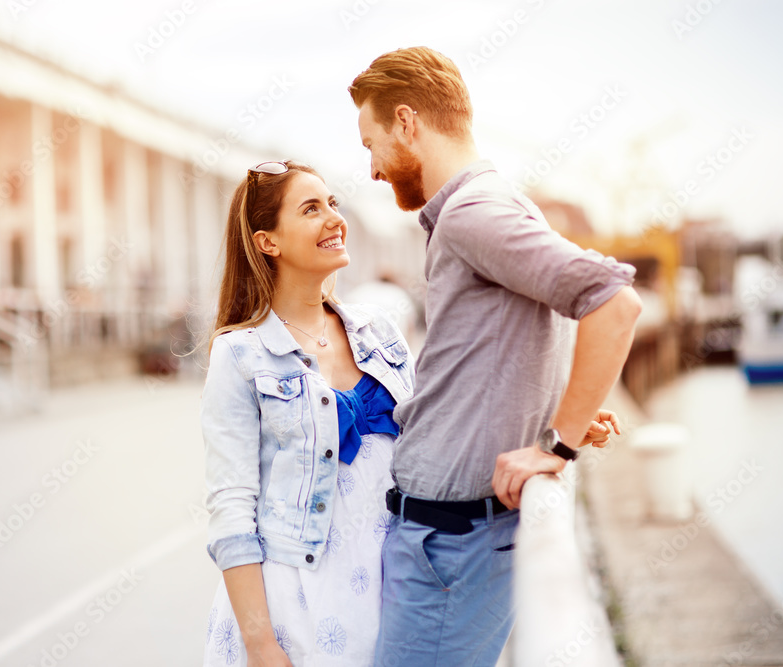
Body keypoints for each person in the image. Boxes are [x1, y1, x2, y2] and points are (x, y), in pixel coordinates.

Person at [349, 46, 642, 666]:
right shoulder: (490, 203)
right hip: (448, 544)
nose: (371, 168)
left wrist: (557, 442)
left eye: (370, 143)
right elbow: (519, 336)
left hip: (449, 549)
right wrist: (558, 412)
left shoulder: (471, 213)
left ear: (407, 122)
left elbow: (612, 303)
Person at [200, 160, 416, 665]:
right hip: (293, 608)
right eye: (311, 209)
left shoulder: (380, 332)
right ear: (267, 241)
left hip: (391, 593)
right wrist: (260, 644)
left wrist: (551, 428)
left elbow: (441, 431)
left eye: (333, 204)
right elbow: (231, 507)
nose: (334, 219)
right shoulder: (240, 354)